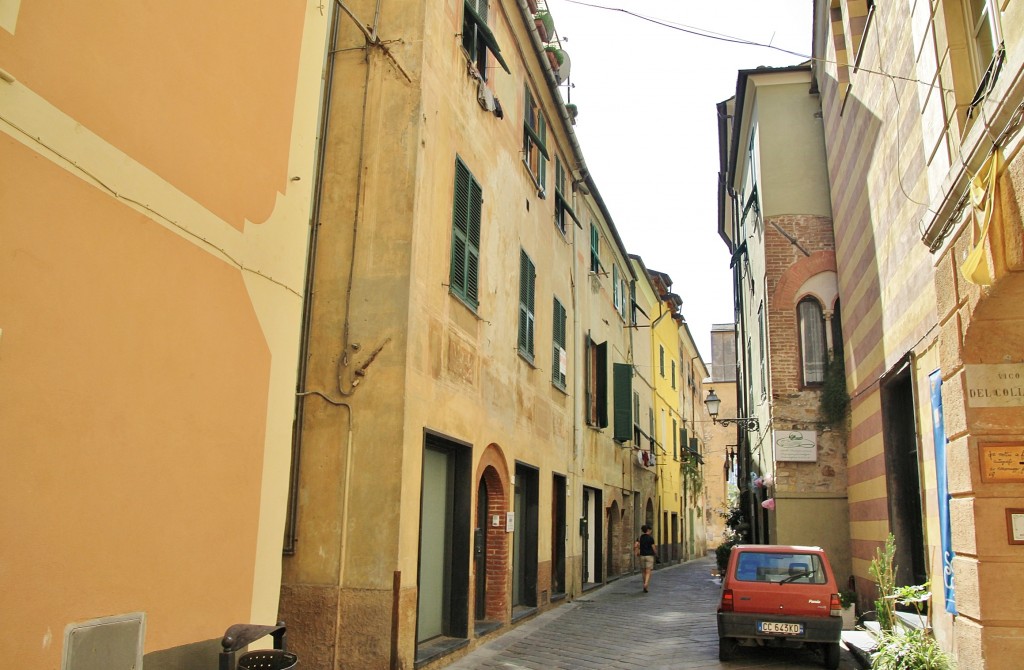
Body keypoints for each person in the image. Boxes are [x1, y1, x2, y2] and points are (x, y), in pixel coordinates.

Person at [635, 524, 658, 592]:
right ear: (648, 530)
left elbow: (636, 545)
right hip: (649, 556)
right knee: (648, 571)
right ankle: (646, 584)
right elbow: (653, 548)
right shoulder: (651, 538)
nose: (651, 531)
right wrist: (656, 554)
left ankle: (645, 584)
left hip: (642, 556)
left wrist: (637, 552)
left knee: (643, 571)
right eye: (650, 530)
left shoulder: (640, 538)